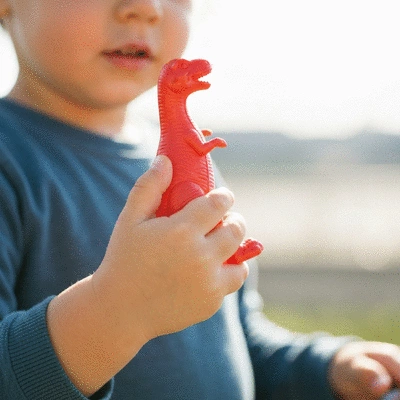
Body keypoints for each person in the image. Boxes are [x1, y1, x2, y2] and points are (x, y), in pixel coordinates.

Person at [0, 0, 399, 399]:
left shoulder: (180, 160)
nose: (145, 7)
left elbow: (236, 343)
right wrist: (119, 311)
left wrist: (323, 368)